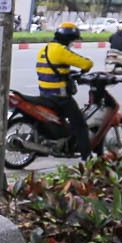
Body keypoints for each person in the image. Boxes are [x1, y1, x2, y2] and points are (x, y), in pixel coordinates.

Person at [35, 22, 96, 156]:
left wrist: (67, 72)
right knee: (80, 124)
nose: (72, 44)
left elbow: (54, 69)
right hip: (59, 98)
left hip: (44, 95)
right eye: (72, 41)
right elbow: (86, 63)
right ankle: (87, 157)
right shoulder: (61, 50)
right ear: (68, 38)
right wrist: (83, 70)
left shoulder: (44, 49)